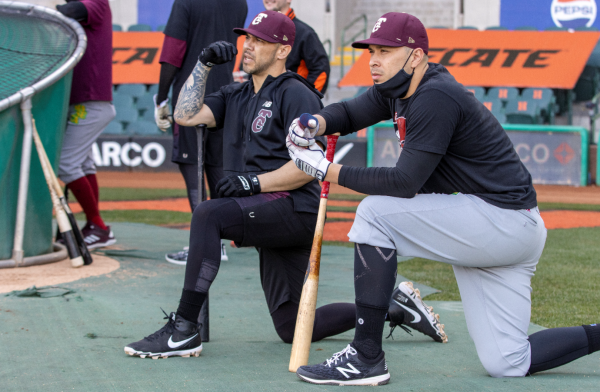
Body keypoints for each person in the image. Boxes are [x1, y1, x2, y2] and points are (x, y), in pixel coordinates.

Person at [287, 12, 600, 386]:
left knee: (374, 214)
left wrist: (325, 169)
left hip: (502, 220)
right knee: (508, 362)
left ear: (415, 56)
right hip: (500, 229)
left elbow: (404, 182)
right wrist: (315, 123)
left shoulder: (435, 95)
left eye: (385, 51)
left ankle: (366, 357)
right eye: (371, 50)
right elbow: (351, 111)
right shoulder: (397, 90)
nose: (373, 60)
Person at [123, 11, 442, 359]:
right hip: (265, 210)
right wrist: (202, 66)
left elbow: (309, 168)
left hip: (295, 208)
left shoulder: (296, 93)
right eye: (247, 39)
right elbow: (185, 115)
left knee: (207, 215)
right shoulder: (235, 93)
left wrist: (251, 182)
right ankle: (398, 308)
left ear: (282, 50)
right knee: (291, 328)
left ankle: (184, 328)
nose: (248, 46)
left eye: (259, 41)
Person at [154, 0, 247, 265]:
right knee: (218, 170)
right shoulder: (239, 4)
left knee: (192, 169)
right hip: (225, 96)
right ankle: (217, 244)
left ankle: (204, 247)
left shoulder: (186, 2)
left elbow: (173, 52)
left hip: (191, 98)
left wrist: (161, 99)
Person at [55, 0, 116, 249]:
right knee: (82, 163)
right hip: (82, 103)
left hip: (91, 102)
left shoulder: (98, 3)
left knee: (65, 164)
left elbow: (71, 10)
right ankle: (94, 226)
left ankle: (98, 226)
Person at [262, 0, 330, 93]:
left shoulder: (304, 33)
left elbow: (321, 69)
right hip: (263, 102)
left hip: (290, 103)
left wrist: (306, 99)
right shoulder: (259, 30)